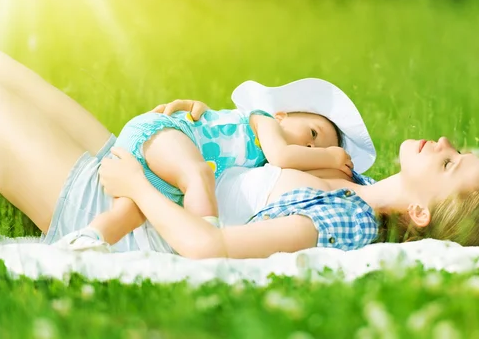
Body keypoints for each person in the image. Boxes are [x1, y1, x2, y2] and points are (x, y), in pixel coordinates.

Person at [0, 51, 479, 259]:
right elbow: (255, 142)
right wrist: (197, 117)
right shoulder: (350, 173)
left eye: (449, 165)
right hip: (138, 171)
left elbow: (209, 247)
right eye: (455, 150)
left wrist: (134, 186)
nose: (444, 145)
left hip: (117, 214)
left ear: (420, 213)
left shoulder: (341, 220)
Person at [55, 77, 369, 252]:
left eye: (317, 147)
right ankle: (203, 240)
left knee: (131, 213)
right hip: (164, 134)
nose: (310, 148)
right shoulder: (264, 121)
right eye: (313, 134)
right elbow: (283, 156)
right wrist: (330, 156)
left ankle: (88, 241)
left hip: (169, 175)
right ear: (283, 115)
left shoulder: (262, 166)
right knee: (198, 175)